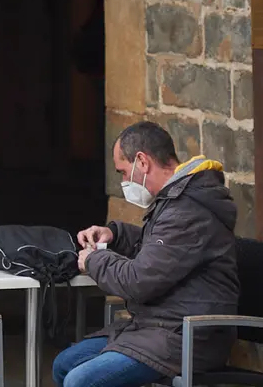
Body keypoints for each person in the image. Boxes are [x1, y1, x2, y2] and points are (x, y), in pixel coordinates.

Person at [53, 121, 240, 387]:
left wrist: (94, 260)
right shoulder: (178, 199)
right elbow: (162, 249)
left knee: (80, 380)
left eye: (123, 171)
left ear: (142, 161)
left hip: (186, 339)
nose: (123, 182)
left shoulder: (187, 210)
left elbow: (139, 281)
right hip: (157, 329)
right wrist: (115, 235)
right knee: (64, 364)